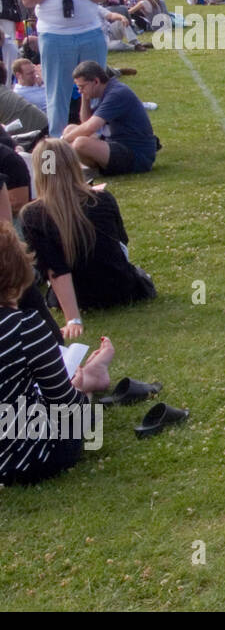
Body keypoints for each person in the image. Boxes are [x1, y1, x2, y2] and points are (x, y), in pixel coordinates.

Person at [0, 222, 117, 486]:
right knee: (77, 408)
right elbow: (65, 406)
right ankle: (89, 379)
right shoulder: (25, 326)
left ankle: (87, 377)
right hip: (29, 458)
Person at [20, 139, 156, 341]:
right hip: (123, 288)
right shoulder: (102, 199)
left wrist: (73, 318)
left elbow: (55, 269)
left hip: (81, 296)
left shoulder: (32, 214)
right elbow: (121, 244)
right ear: (73, 165)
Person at [18, 0, 109, 136]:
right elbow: (27, 0)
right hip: (55, 35)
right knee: (57, 93)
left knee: (96, 89)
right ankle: (58, 144)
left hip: (90, 31)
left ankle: (94, 139)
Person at [62, 61, 156, 176]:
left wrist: (62, 142)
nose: (80, 91)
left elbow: (90, 127)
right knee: (70, 129)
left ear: (96, 81)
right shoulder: (106, 90)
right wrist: (85, 97)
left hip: (136, 154)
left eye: (82, 87)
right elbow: (86, 122)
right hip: (116, 143)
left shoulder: (117, 93)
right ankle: (94, 170)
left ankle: (96, 171)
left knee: (80, 143)